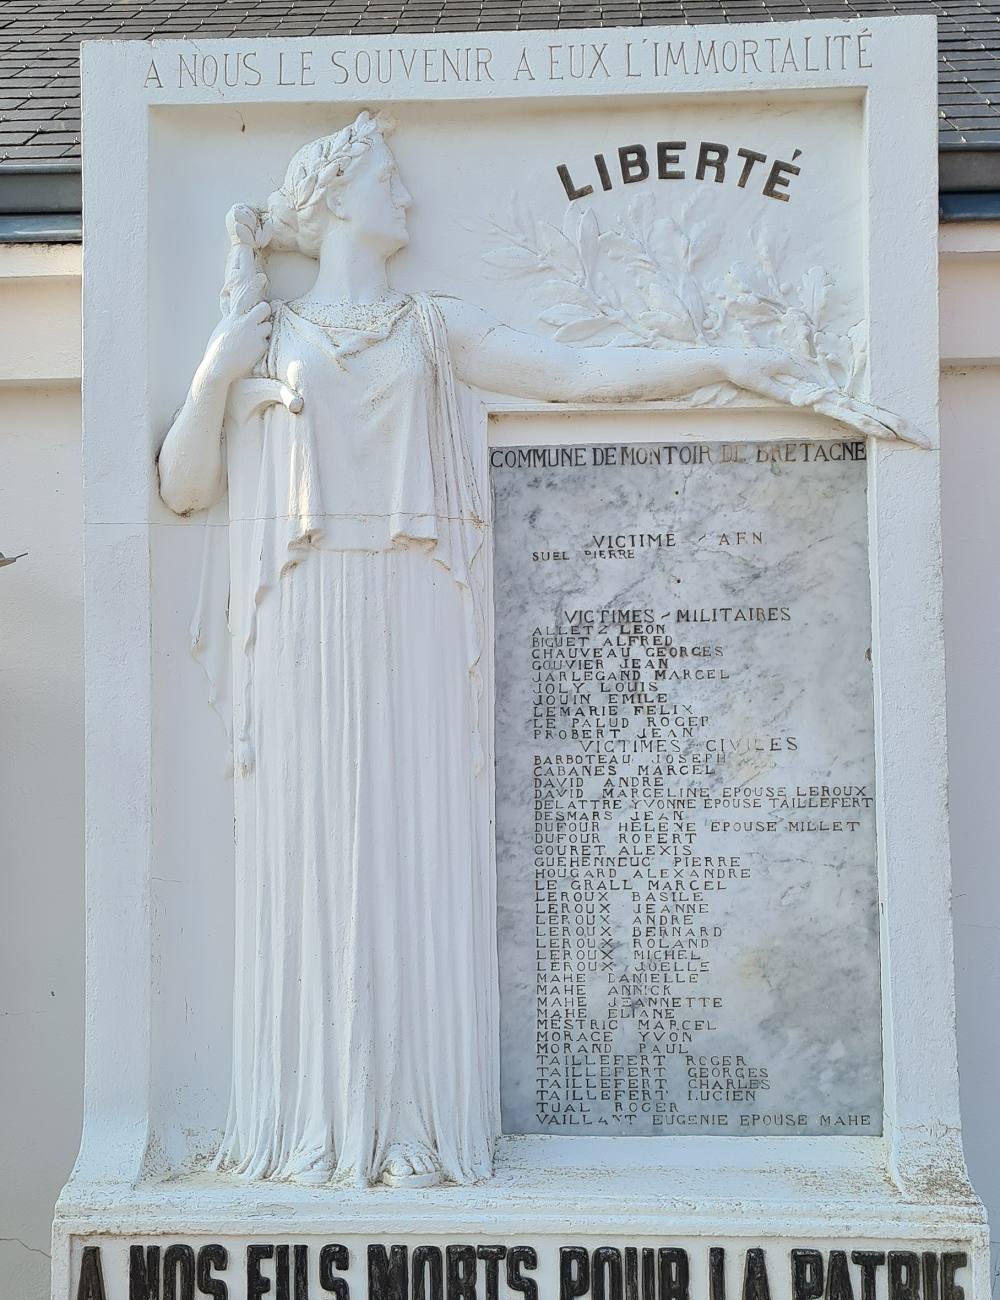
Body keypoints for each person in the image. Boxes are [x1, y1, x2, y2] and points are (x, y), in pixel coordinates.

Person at [157, 110, 917, 1188]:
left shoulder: (433, 328)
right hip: (308, 616)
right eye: (386, 178)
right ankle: (316, 1124)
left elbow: (580, 373)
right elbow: (184, 488)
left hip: (418, 608)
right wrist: (213, 375)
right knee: (315, 844)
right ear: (330, 200)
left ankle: (414, 1122)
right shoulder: (265, 335)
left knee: (414, 839)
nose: (408, 198)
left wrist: (732, 362)